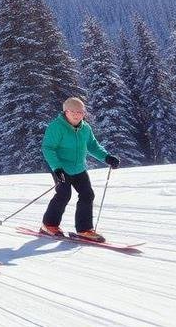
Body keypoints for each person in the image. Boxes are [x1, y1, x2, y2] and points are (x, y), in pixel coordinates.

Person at [40, 97, 120, 242]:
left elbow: (93, 146)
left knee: (87, 194)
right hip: (60, 167)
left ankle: (84, 229)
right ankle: (49, 225)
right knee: (64, 194)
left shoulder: (86, 128)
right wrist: (56, 168)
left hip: (78, 167)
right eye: (73, 112)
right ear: (66, 112)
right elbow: (48, 148)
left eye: (81, 112)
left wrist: (107, 157)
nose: (77, 115)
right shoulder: (56, 127)